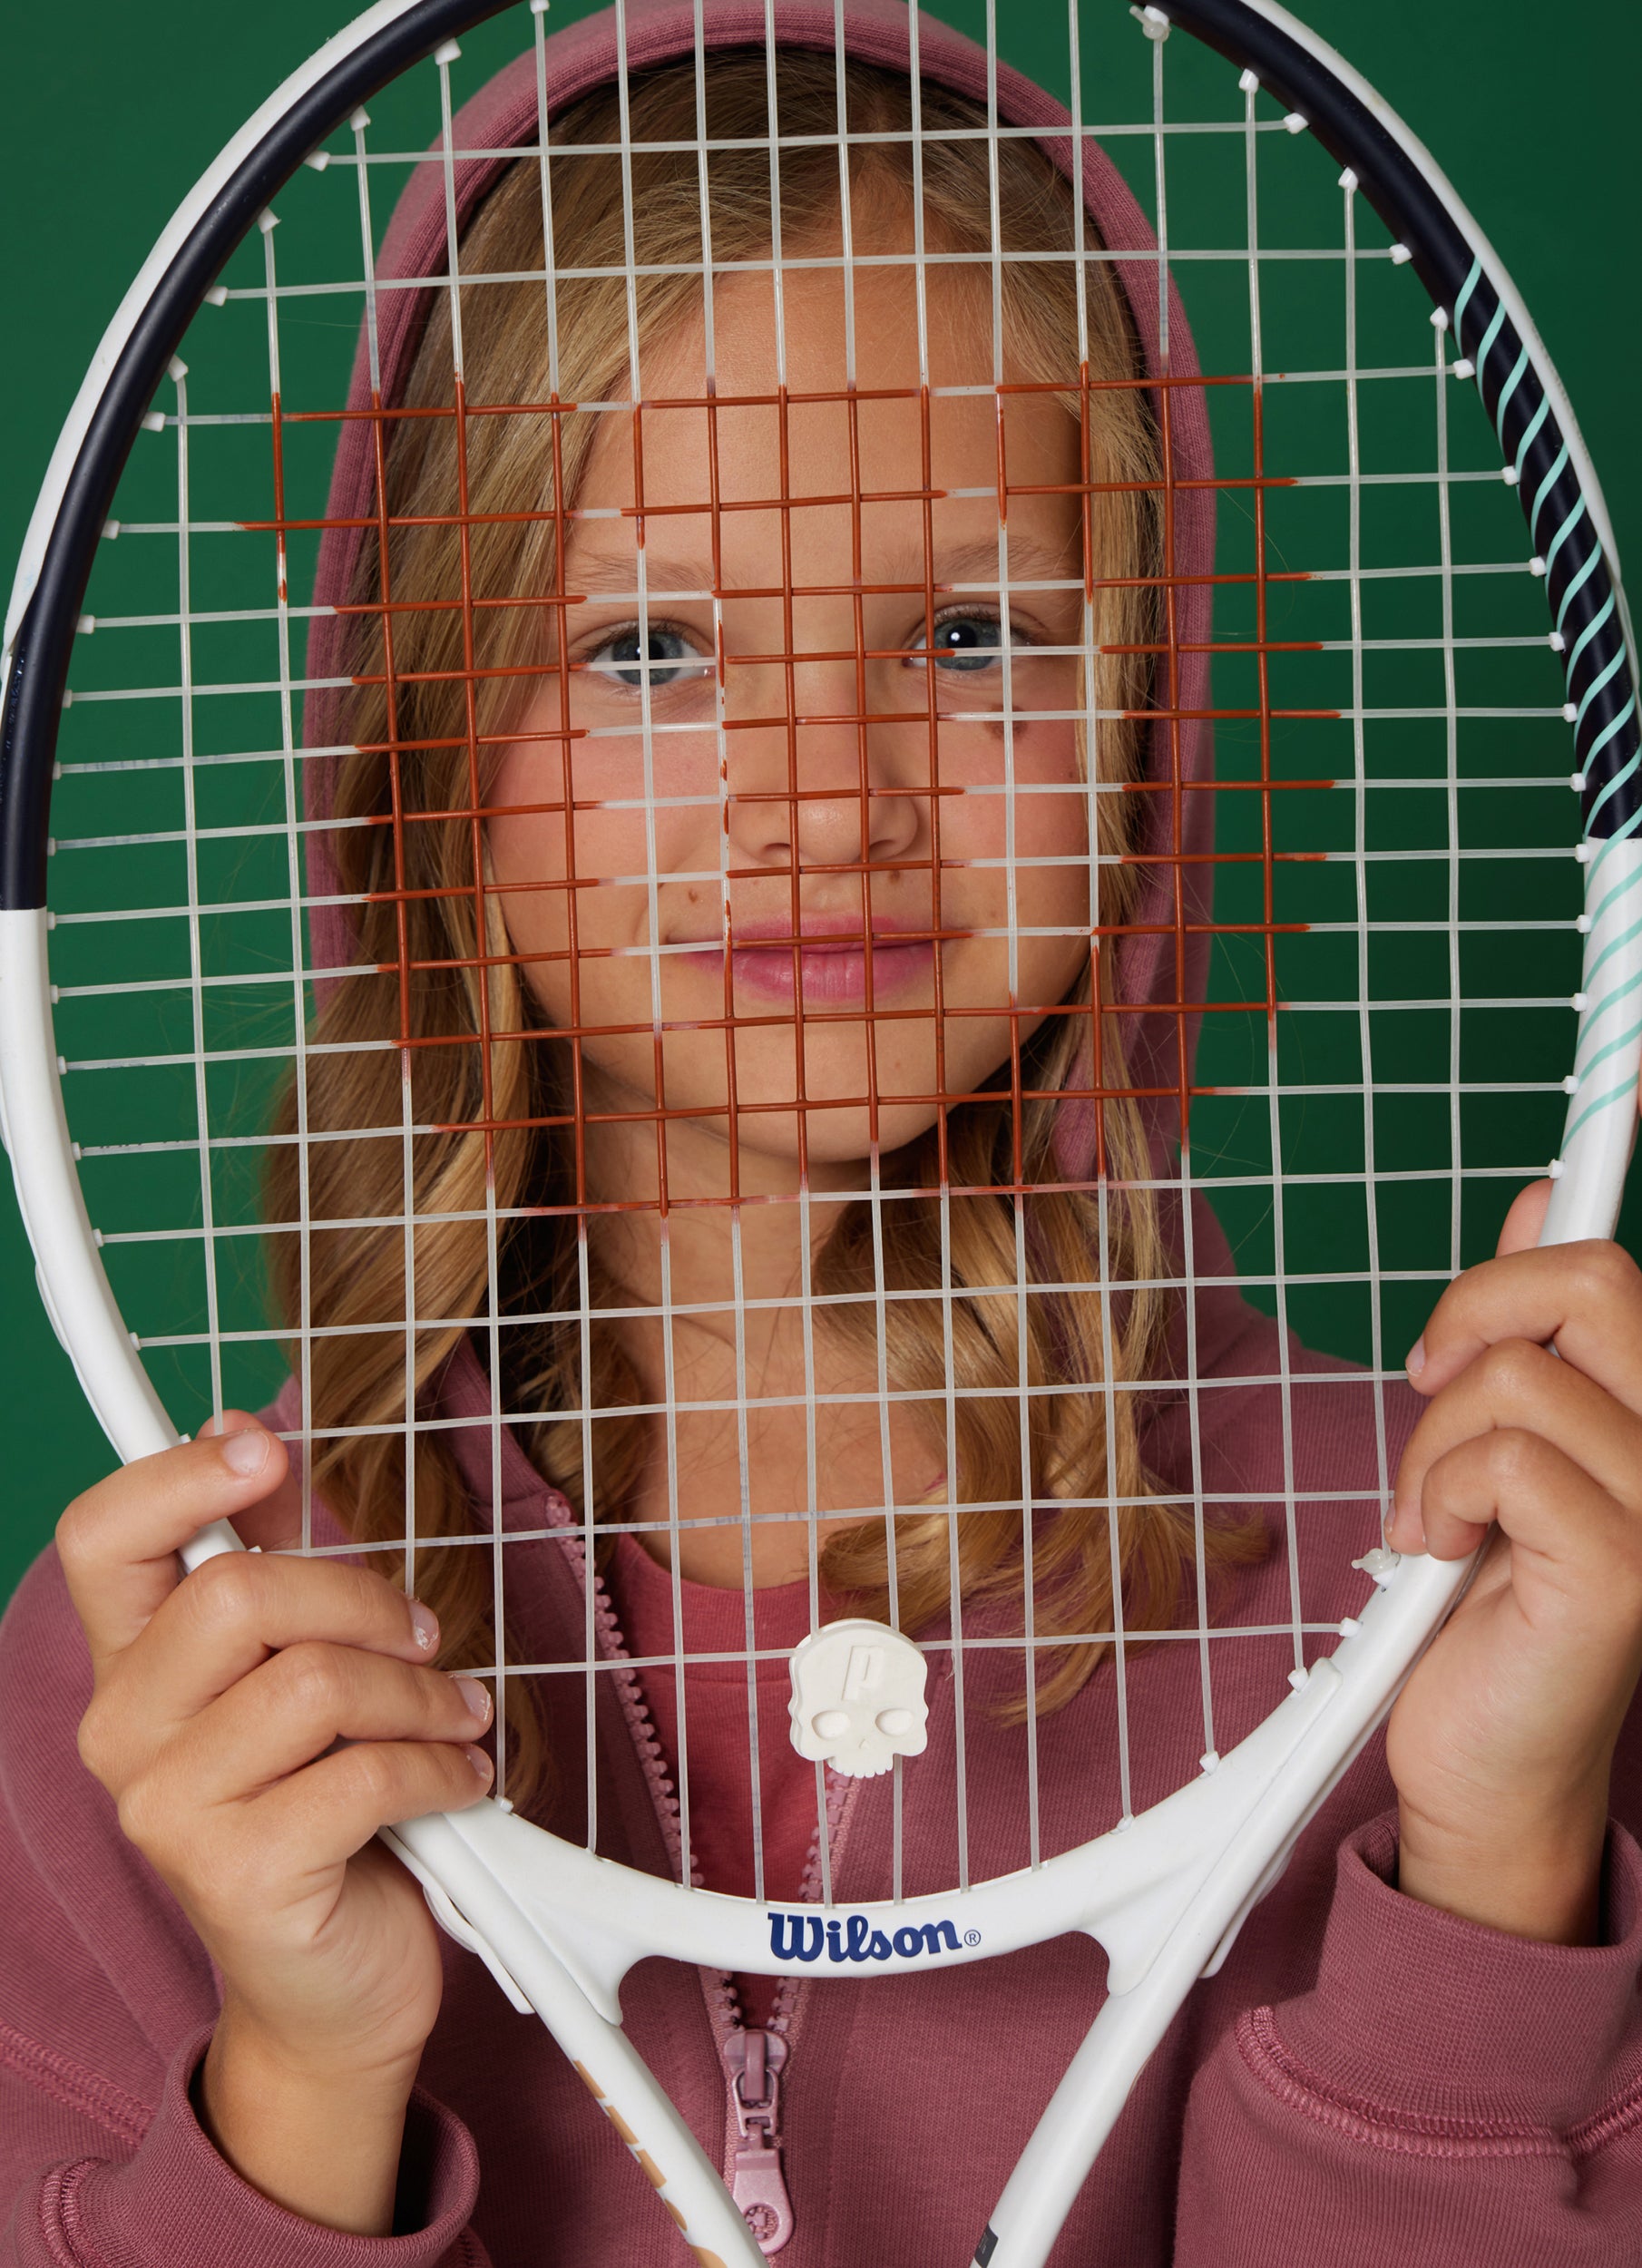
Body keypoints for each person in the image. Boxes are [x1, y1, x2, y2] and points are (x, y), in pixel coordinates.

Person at [5, 5, 1642, 2263]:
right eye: (651, 648)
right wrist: (300, 2088)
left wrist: (1491, 1872)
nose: (825, 797)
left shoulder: (1465, 1603)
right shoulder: (181, 1694)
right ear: (422, 744)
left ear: (1144, 738)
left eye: (971, 634)